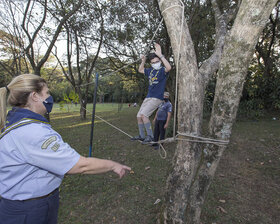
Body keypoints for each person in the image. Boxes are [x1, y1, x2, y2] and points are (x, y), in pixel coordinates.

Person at [0, 74, 131, 224]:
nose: (50, 97)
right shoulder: (32, 131)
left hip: (28, 204)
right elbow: (80, 165)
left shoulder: (15, 121)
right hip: (28, 211)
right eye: (47, 93)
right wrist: (113, 165)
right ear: (35, 96)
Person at [131, 43, 171, 143]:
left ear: (160, 61)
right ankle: (142, 135)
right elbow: (140, 69)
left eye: (157, 61)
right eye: (153, 62)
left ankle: (150, 136)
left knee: (144, 115)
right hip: (149, 97)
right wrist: (143, 61)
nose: (155, 63)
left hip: (157, 97)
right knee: (139, 116)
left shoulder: (162, 70)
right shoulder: (151, 70)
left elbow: (169, 67)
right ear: (151, 63)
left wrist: (160, 55)